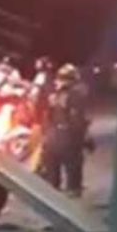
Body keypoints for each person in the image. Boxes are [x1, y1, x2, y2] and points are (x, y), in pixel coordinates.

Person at [38, 63, 91, 196]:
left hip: (52, 135)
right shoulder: (76, 94)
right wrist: (84, 138)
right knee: (73, 163)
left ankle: (53, 189)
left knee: (52, 167)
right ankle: (73, 189)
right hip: (67, 136)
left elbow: (44, 112)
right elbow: (77, 119)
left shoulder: (53, 93)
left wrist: (45, 133)